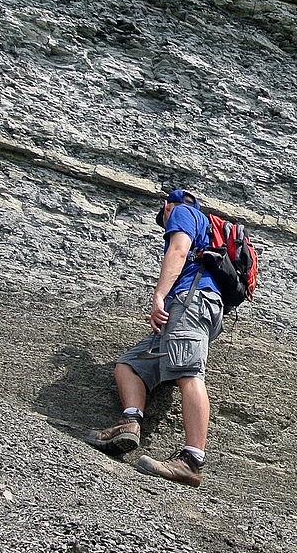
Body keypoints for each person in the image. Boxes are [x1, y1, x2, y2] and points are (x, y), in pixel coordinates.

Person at [85, 188, 223, 487]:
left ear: (166, 206)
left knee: (188, 373)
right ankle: (130, 423)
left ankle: (192, 460)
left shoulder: (184, 212)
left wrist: (159, 294)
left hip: (191, 301)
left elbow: (179, 250)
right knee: (130, 365)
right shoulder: (208, 230)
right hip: (189, 307)